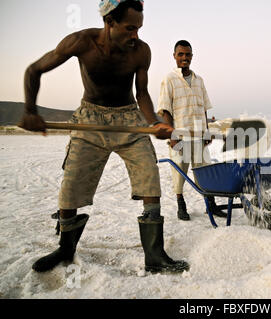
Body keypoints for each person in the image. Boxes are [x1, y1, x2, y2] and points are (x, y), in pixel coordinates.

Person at [19, 0, 189, 274]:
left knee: (149, 176)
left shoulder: (141, 51)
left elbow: (142, 94)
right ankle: (65, 248)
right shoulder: (81, 42)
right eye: (129, 28)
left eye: (139, 29)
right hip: (91, 120)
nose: (135, 36)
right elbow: (34, 70)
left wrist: (155, 122)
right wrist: (29, 110)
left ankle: (154, 255)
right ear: (109, 22)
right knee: (71, 186)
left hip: (129, 119)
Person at [158, 40, 227, 221]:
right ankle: (181, 206)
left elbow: (203, 108)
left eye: (187, 54)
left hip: (198, 135)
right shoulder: (169, 79)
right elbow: (165, 110)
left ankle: (210, 205)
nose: (184, 58)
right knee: (179, 172)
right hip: (180, 136)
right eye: (180, 54)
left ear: (192, 56)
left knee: (203, 171)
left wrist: (206, 132)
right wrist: (172, 136)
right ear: (174, 56)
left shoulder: (199, 80)